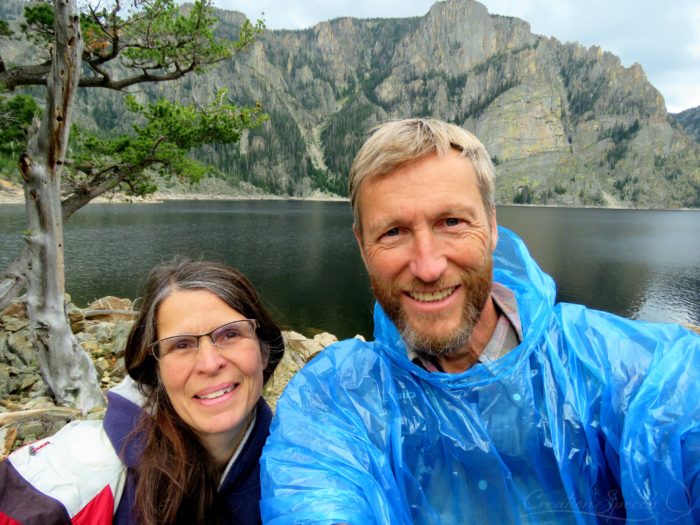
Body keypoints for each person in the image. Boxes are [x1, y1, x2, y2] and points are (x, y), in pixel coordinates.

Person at [260, 118, 700, 524]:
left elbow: (682, 418)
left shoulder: (612, 365)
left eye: (452, 222)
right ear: (361, 245)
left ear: (491, 227)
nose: (428, 266)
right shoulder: (337, 400)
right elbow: (312, 497)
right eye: (393, 232)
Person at [0, 258, 285, 525]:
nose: (210, 364)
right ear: (155, 371)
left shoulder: (308, 469)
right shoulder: (73, 477)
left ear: (263, 352)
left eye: (231, 334)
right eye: (182, 345)